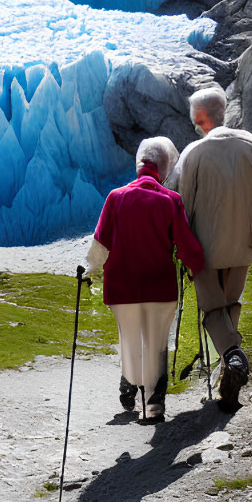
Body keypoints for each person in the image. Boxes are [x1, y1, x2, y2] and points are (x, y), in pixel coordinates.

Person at [170, 86, 252, 412]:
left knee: (214, 311)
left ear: (201, 119)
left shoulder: (194, 153)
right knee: (231, 305)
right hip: (242, 244)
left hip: (205, 250)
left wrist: (182, 247)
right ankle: (226, 381)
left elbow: (183, 207)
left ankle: (233, 358)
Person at [87, 137, 205, 423]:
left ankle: (129, 381)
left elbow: (100, 243)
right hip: (159, 286)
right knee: (156, 343)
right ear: (164, 169)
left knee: (130, 337)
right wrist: (196, 267)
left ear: (139, 165)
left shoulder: (116, 197)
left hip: (122, 287)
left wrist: (89, 271)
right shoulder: (170, 200)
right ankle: (153, 407)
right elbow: (187, 246)